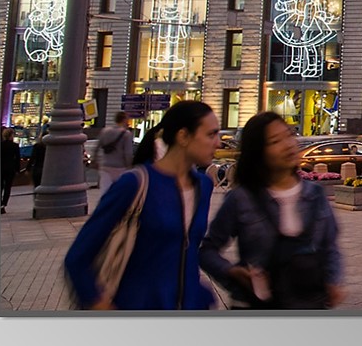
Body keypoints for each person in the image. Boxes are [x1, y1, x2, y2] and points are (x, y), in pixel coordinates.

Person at [63, 100, 219, 310]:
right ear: (183, 136)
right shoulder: (135, 184)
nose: (218, 142)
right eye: (211, 134)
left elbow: (186, 252)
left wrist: (200, 295)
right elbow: (78, 257)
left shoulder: (204, 186)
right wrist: (98, 303)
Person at [200, 111, 344, 310]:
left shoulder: (315, 195)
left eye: (289, 135)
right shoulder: (241, 199)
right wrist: (233, 274)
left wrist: (333, 281)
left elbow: (330, 248)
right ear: (258, 153)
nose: (288, 145)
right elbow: (207, 251)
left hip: (309, 305)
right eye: (275, 141)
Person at [96, 111, 136, 190]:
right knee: (118, 193)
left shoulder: (105, 131)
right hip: (120, 168)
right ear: (124, 120)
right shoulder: (126, 134)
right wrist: (130, 166)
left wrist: (95, 160)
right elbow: (128, 153)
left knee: (105, 192)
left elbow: (97, 147)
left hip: (105, 166)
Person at [0, 127, 20, 213]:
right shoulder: (15, 146)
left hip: (0, 168)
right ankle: (3, 204)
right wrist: (17, 170)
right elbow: (17, 159)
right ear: (11, 135)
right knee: (8, 187)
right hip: (10, 169)